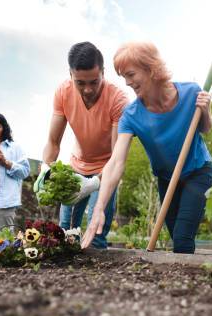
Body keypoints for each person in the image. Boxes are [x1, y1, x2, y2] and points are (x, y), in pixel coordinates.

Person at [82, 42, 212, 253]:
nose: (127, 82)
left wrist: (206, 111)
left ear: (151, 69)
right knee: (175, 233)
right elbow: (115, 163)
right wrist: (99, 208)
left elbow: (205, 128)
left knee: (182, 237)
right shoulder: (132, 115)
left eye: (131, 74)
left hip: (197, 171)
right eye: (123, 76)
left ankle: (184, 284)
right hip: (167, 178)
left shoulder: (191, 92)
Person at [40, 41, 129, 249]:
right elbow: (53, 142)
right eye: (80, 83)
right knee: (64, 230)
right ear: (70, 75)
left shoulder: (118, 99)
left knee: (95, 233)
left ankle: (98, 277)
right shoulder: (63, 92)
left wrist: (94, 183)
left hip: (105, 170)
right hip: (76, 166)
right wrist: (46, 168)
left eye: (94, 82)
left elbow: (117, 157)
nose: (87, 89)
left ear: (103, 73)